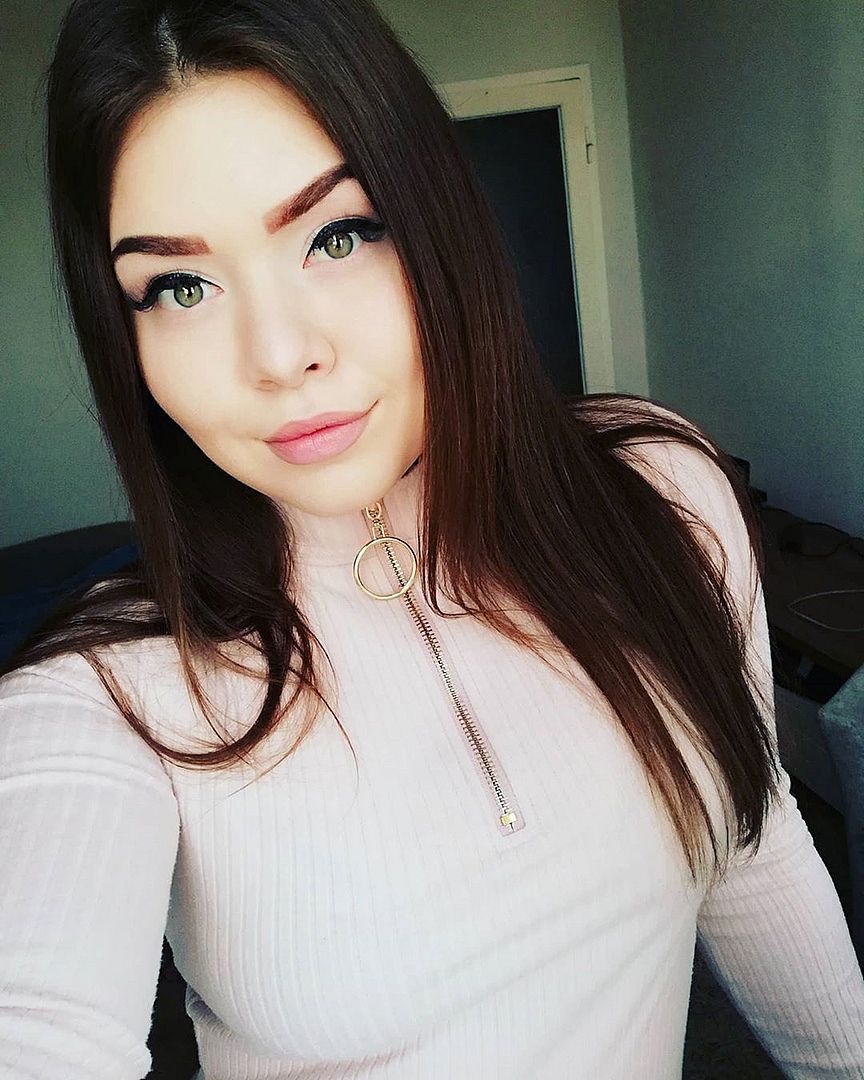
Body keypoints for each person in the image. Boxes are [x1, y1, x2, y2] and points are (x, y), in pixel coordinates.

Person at [1, 0, 863, 1077]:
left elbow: (751, 840)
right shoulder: (111, 696)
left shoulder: (663, 497)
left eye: (337, 234)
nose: (279, 355)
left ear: (438, 220)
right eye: (179, 286)